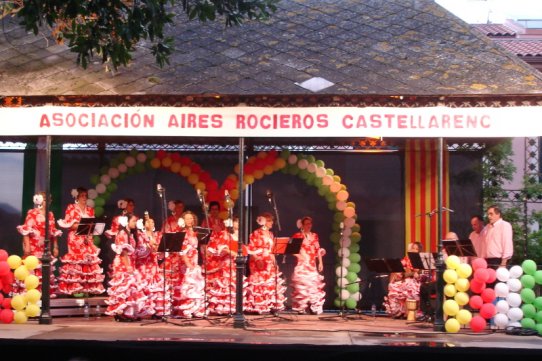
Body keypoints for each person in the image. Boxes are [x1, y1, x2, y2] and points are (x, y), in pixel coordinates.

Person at [57, 187, 105, 295]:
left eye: (85, 195)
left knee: (88, 261)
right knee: (76, 262)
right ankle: (73, 289)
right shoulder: (71, 208)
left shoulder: (90, 209)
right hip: (75, 238)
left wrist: (89, 233)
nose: (84, 197)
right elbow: (70, 225)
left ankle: (87, 289)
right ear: (77, 197)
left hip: (87, 238)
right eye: (82, 195)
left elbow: (92, 225)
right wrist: (84, 226)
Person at [16, 192, 62, 296]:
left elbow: (53, 232)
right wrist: (27, 246)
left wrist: (55, 246)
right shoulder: (32, 213)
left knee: (44, 271)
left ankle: (43, 295)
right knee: (33, 270)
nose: (48, 202)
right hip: (34, 246)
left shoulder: (50, 215)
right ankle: (31, 295)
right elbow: (26, 230)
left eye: (49, 200)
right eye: (45, 199)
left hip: (45, 248)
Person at [105, 213, 149, 321]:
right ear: (127, 222)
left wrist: (148, 249)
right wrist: (128, 266)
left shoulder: (131, 234)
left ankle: (129, 313)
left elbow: (135, 252)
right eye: (133, 221)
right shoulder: (122, 233)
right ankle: (120, 313)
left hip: (130, 263)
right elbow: (123, 252)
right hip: (123, 264)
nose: (135, 223)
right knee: (123, 289)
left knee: (130, 289)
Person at [244, 212, 287, 314]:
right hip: (258, 261)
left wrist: (275, 262)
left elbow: (272, 249)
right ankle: (258, 307)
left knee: (270, 283)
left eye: (272, 220)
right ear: (263, 221)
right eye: (269, 220)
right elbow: (251, 249)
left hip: (269, 261)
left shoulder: (271, 234)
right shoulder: (256, 233)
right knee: (260, 283)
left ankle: (269, 305)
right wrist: (257, 259)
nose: (272, 222)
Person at [206, 216, 244, 315]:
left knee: (233, 284)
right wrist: (230, 252)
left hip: (234, 262)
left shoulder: (238, 235)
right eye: (236, 222)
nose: (238, 224)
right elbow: (220, 249)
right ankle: (222, 307)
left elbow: (242, 249)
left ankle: (232, 307)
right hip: (226, 262)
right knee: (225, 283)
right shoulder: (225, 234)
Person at [172, 211, 205, 318]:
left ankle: (195, 308)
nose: (190, 221)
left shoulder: (195, 232)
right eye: (187, 219)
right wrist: (187, 263)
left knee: (195, 284)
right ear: (183, 220)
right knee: (187, 283)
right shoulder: (183, 232)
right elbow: (181, 250)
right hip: (186, 261)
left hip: (194, 259)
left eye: (191, 218)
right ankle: (186, 309)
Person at [289, 216, 326, 315]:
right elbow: (292, 250)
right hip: (302, 264)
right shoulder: (298, 235)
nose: (309, 225)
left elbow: (318, 249)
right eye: (307, 224)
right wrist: (300, 256)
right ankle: (301, 307)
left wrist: (320, 262)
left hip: (312, 264)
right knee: (302, 286)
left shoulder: (314, 235)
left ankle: (314, 307)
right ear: (302, 225)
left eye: (310, 223)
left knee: (313, 285)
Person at [383, 241, 423, 319]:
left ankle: (410, 312)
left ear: (419, 251)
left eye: (416, 249)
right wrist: (407, 273)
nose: (414, 250)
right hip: (404, 281)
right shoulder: (406, 259)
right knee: (392, 286)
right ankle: (398, 311)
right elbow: (398, 271)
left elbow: (418, 273)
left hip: (415, 283)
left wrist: (409, 273)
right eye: (413, 248)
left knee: (410, 285)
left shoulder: (421, 260)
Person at [482, 205, 513, 269]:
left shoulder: (504, 225)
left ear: (498, 214)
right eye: (488, 214)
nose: (489, 216)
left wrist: (503, 263)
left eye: (491, 214)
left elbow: (507, 244)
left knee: (498, 279)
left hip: (498, 260)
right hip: (487, 260)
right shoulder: (487, 227)